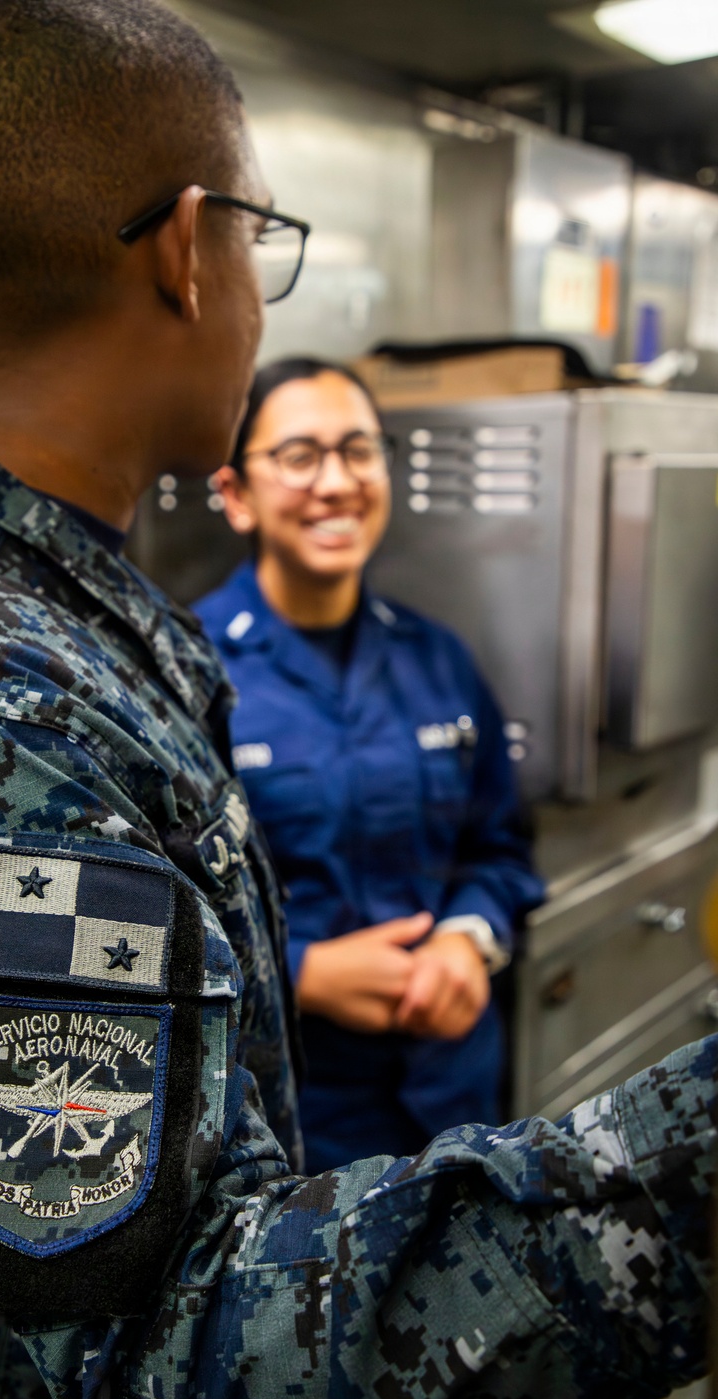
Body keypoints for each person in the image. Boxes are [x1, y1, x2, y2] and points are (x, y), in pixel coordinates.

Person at [0, 4, 714, 1399]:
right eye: (263, 242)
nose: (260, 295)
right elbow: (186, 1363)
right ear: (189, 248)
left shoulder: (44, 606)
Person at [196, 357, 545, 1176]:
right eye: (300, 455)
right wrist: (299, 973)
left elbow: (500, 847)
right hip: (292, 1119)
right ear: (237, 494)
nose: (336, 480)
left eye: (358, 449)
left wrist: (469, 939)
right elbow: (158, 913)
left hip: (452, 1096)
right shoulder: (193, 674)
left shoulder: (436, 659)